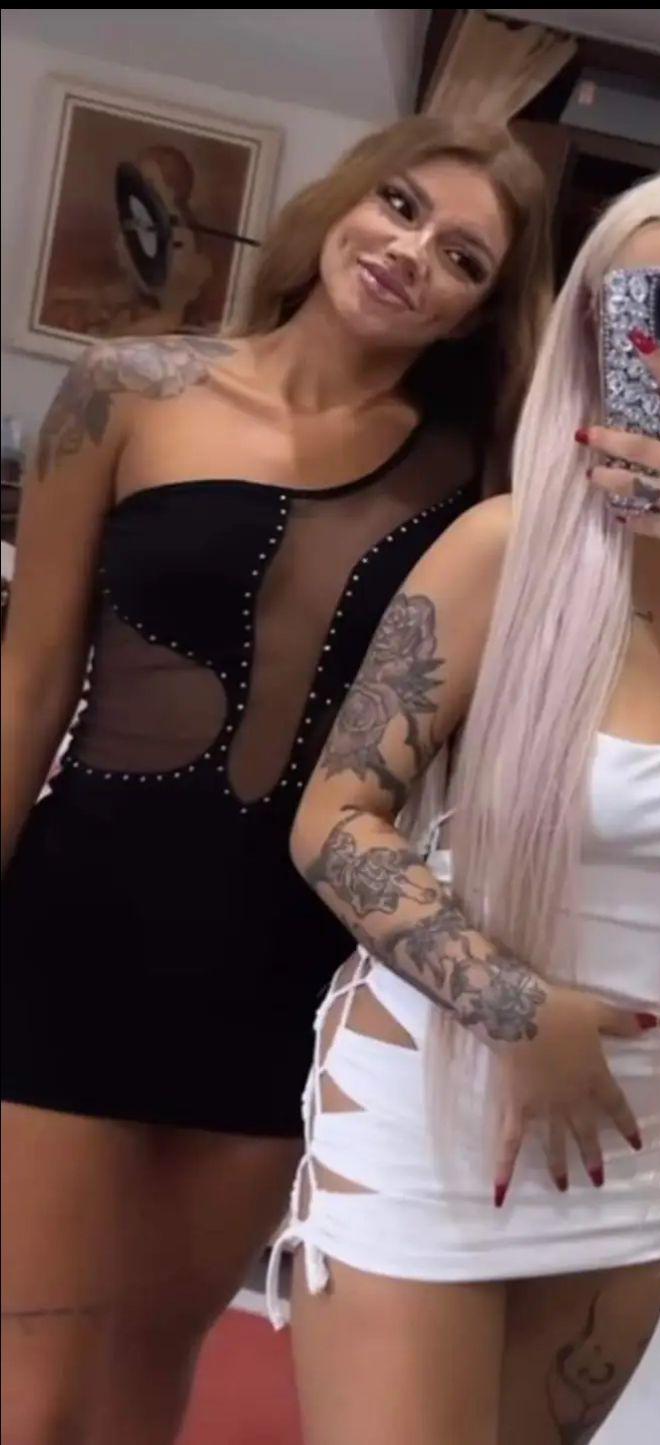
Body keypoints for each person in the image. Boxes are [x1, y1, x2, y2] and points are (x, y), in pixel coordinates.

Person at [280, 169, 660, 1445]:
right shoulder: (506, 549)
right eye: (636, 315)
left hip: (645, 1144)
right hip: (437, 1101)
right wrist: (519, 1007)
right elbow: (334, 817)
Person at [0, 115, 550, 1444]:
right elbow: (28, 680)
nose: (412, 251)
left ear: (479, 312)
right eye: (402, 206)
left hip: (287, 966)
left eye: (463, 256)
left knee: (148, 1371)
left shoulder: (480, 481)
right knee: (28, 1384)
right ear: (344, 202)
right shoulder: (127, 389)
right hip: (76, 929)